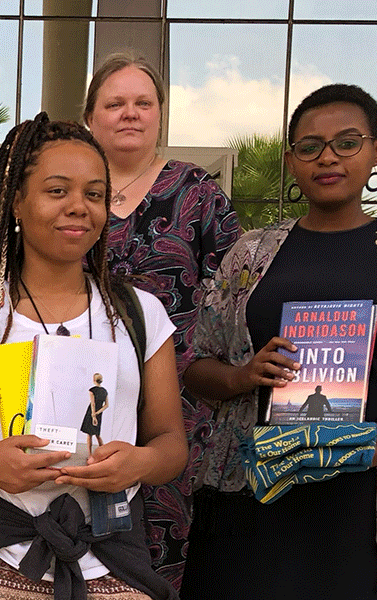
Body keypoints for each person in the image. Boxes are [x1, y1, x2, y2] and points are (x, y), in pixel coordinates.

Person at [181, 84, 377, 600]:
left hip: (364, 504)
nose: (328, 157)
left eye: (347, 142)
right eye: (310, 146)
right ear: (291, 161)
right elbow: (197, 364)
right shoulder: (252, 255)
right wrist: (241, 376)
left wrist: (363, 452)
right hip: (250, 499)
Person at [0, 114, 184, 600]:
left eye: (95, 194)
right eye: (57, 191)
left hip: (113, 557)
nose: (79, 207)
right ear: (16, 202)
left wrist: (138, 463)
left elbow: (171, 445)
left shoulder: (140, 315)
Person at [82, 51, 240, 589]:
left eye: (143, 103)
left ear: (160, 114)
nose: (130, 113)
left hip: (178, 407)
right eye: (115, 103)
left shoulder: (197, 194)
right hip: (80, 399)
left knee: (165, 555)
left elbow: (233, 303)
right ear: (90, 117)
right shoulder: (68, 195)